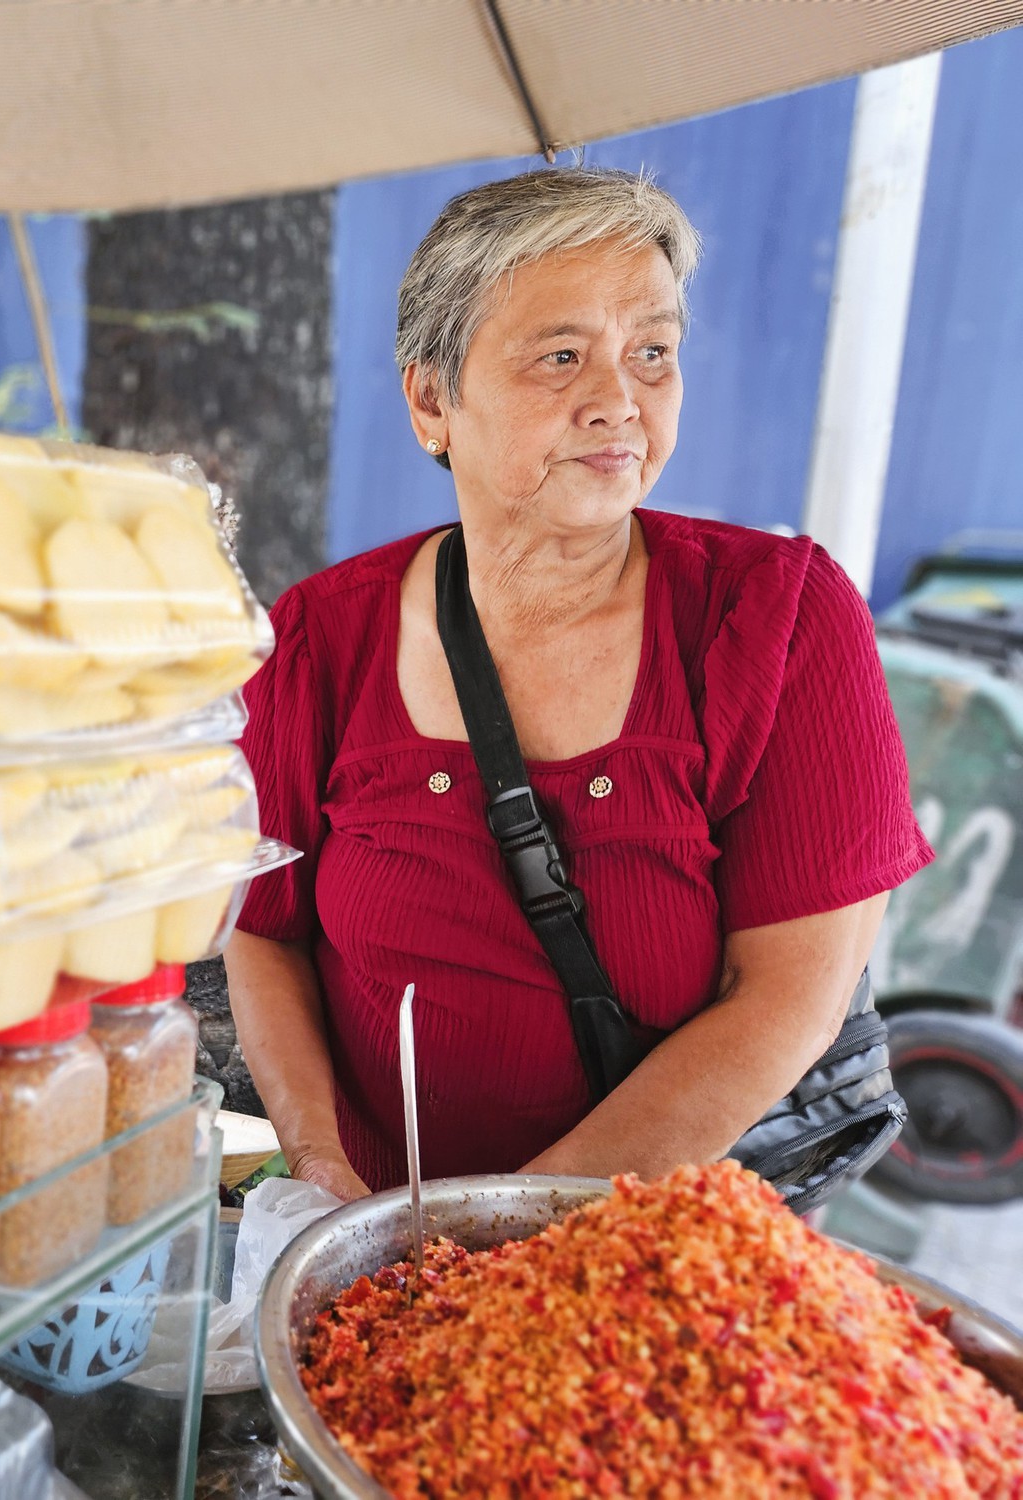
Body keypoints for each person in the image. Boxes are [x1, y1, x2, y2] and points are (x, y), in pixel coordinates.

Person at [225, 168, 931, 1201]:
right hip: (371, 1247)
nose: (618, 401)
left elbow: (784, 997)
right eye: (560, 358)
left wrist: (498, 1244)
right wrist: (318, 1168)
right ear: (431, 400)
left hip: (635, 1266)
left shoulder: (774, 615)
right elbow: (264, 929)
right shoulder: (320, 635)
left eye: (650, 353)